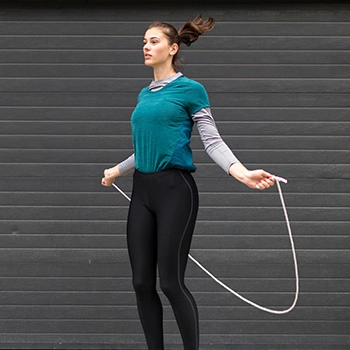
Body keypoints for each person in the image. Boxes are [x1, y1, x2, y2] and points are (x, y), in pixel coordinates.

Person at [101, 15, 275, 350]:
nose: (146, 47)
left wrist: (241, 172)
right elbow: (146, 148)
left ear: (173, 48)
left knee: (170, 283)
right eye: (144, 42)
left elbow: (212, 141)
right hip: (142, 189)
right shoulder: (144, 94)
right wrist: (117, 170)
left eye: (153, 41)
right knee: (141, 283)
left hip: (175, 191)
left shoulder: (191, 90)